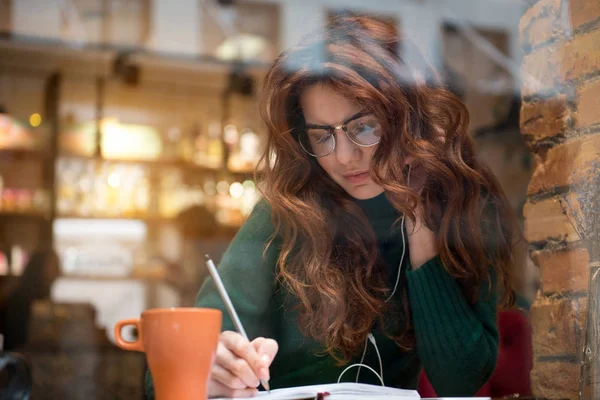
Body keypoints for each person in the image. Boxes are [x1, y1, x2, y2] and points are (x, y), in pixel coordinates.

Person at [146, 14, 519, 399]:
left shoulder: (461, 205)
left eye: (364, 127)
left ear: (411, 120)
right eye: (321, 135)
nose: (343, 157)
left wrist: (421, 221)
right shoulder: (284, 215)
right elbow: (162, 377)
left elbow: (459, 380)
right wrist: (208, 367)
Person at [0, 249, 60, 351]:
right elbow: (18, 336)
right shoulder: (22, 295)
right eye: (54, 266)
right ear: (39, 267)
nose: (58, 271)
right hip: (19, 356)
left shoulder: (40, 293)